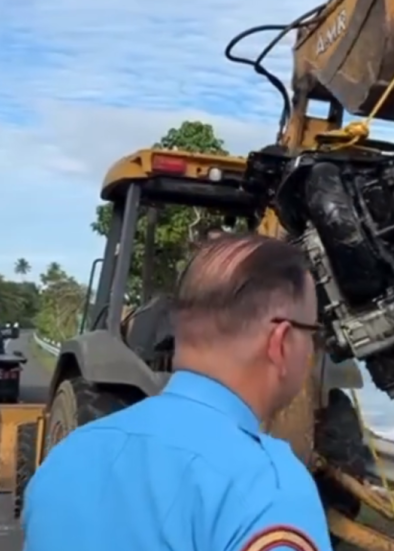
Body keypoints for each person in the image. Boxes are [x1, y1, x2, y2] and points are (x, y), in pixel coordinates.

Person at [23, 234, 331, 551]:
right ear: (281, 342)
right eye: (312, 333)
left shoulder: (63, 460)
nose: (312, 348)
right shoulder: (267, 488)